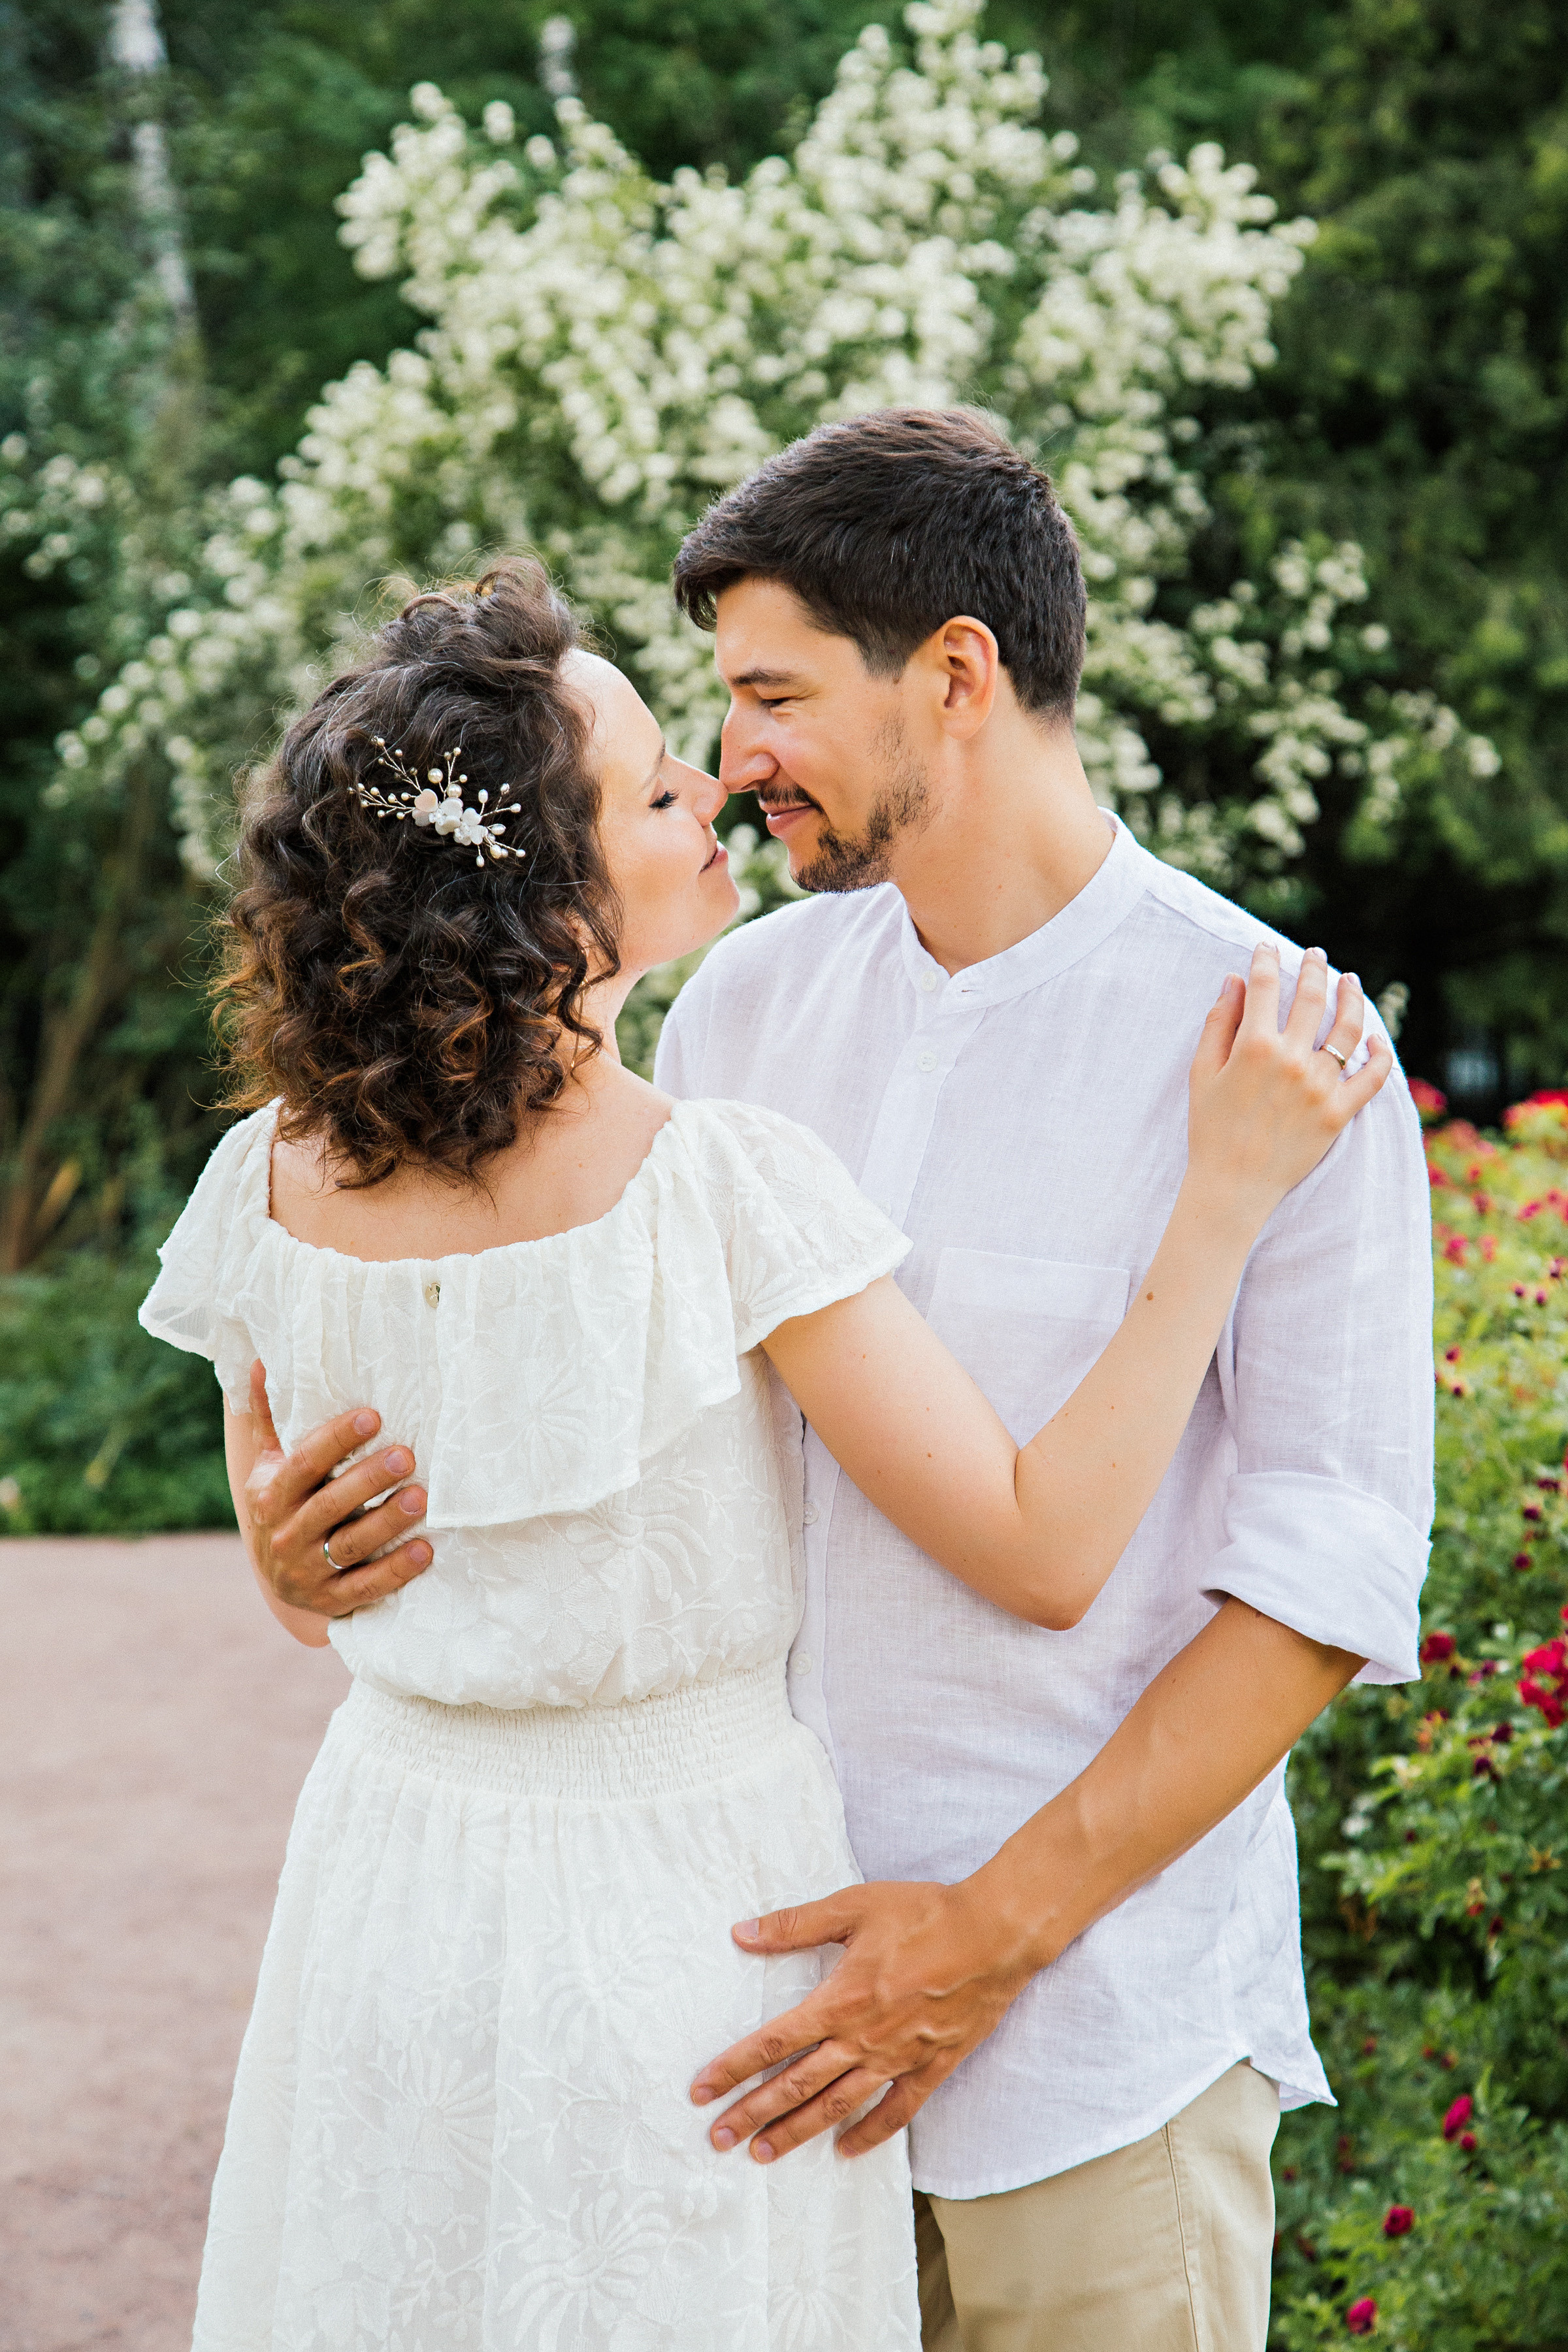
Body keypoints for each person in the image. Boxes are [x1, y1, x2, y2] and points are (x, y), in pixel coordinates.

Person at [142, 550, 1388, 2352]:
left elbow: (339, 1575)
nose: (717, 777)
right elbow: (1046, 1547)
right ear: (548, 900)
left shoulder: (261, 1178)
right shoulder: (710, 1167)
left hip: (396, 1907)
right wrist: (1224, 1206)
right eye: (659, 785)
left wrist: (285, 1569)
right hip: (680, 1929)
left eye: (750, 710)